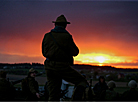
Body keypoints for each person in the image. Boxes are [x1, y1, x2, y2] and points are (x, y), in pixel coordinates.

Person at [42, 15, 88, 101]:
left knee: (53, 96)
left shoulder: (47, 36)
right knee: (82, 81)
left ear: (55, 24)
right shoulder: (67, 36)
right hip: (62, 67)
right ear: (65, 25)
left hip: (49, 67)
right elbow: (75, 52)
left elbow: (44, 53)